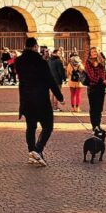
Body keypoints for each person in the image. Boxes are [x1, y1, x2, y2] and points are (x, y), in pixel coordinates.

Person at [16, 38, 64, 166]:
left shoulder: (19, 61)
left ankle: (32, 152)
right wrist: (59, 97)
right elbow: (50, 80)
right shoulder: (41, 62)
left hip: (26, 99)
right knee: (48, 126)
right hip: (41, 99)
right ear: (35, 46)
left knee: (31, 127)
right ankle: (37, 150)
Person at [84, 48, 106, 131]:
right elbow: (91, 75)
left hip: (101, 87)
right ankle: (94, 126)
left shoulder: (102, 61)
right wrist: (102, 80)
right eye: (92, 52)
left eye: (96, 51)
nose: (94, 53)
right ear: (90, 54)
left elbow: (104, 72)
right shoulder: (88, 62)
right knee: (94, 108)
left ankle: (98, 125)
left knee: (99, 108)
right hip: (93, 87)